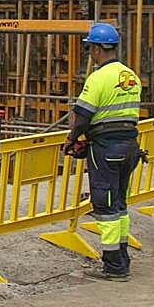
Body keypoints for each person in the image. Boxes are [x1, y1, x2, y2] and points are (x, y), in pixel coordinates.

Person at [62, 22, 142, 281]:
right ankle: (122, 257)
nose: (89, 53)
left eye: (90, 48)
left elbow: (83, 115)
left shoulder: (98, 78)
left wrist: (72, 139)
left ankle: (114, 266)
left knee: (105, 206)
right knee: (119, 204)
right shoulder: (131, 76)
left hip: (106, 147)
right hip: (130, 146)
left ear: (97, 49)